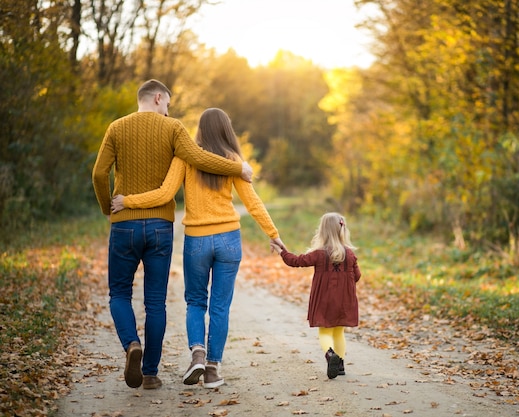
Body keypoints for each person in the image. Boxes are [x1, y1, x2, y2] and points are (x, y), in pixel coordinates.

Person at [92, 80, 254, 390]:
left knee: (119, 293)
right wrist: (238, 168)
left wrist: (107, 208)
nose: (168, 110)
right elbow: (200, 158)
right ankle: (150, 372)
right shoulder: (173, 128)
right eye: (167, 103)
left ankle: (131, 345)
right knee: (156, 303)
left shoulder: (116, 127)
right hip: (159, 227)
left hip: (124, 224)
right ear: (157, 98)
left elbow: (99, 174)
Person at [110, 107, 285, 389]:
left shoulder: (186, 158)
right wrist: (273, 234)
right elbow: (253, 202)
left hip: (197, 240)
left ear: (200, 130)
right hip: (229, 238)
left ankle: (198, 354)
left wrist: (127, 201)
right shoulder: (233, 161)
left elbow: (165, 194)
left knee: (195, 301)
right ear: (227, 130)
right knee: (220, 306)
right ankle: (213, 369)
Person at [269, 212, 361, 379]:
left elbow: (295, 261)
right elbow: (357, 276)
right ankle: (340, 365)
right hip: (344, 300)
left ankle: (330, 355)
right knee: (339, 332)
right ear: (343, 230)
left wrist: (281, 250)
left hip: (325, 299)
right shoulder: (350, 254)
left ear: (322, 231)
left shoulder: (319, 254)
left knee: (325, 332)